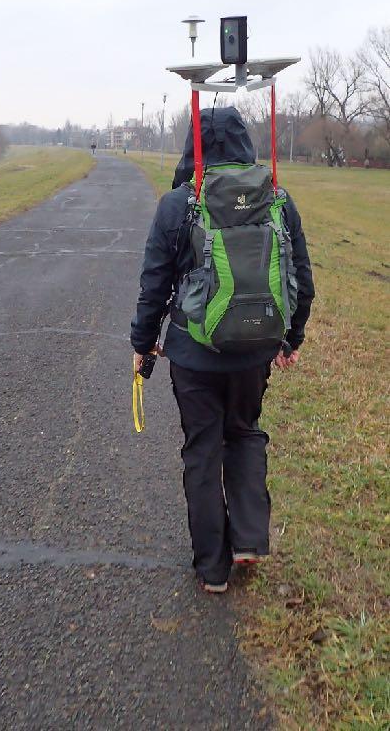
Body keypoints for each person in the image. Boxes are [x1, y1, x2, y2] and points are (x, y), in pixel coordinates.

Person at [131, 107, 315, 594]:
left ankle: (212, 569)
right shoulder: (276, 198)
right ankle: (250, 540)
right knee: (245, 432)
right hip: (255, 351)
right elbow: (302, 278)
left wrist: (143, 344)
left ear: (195, 147)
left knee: (202, 449)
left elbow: (154, 284)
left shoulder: (178, 204)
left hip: (194, 356)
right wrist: (290, 338)